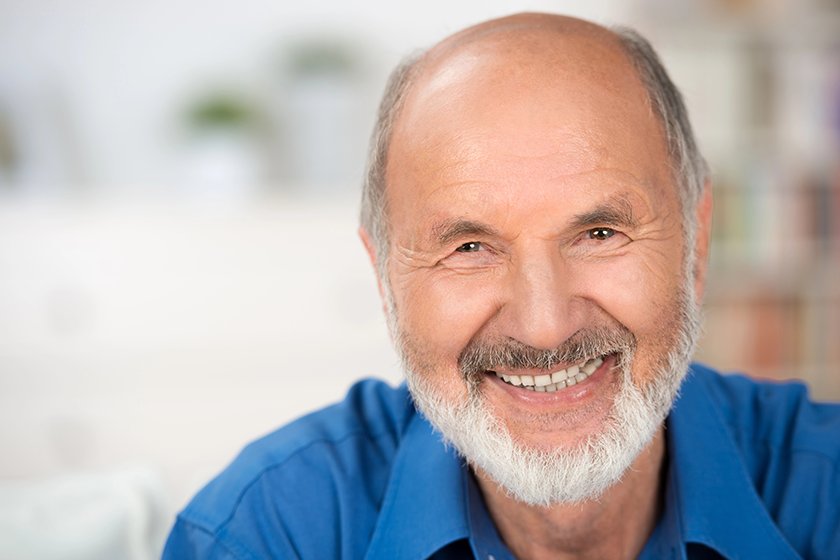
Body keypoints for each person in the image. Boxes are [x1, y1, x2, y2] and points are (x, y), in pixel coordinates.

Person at [162, 13, 840, 560]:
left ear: (697, 240)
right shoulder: (262, 535)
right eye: (469, 248)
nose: (545, 326)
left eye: (599, 233)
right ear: (385, 277)